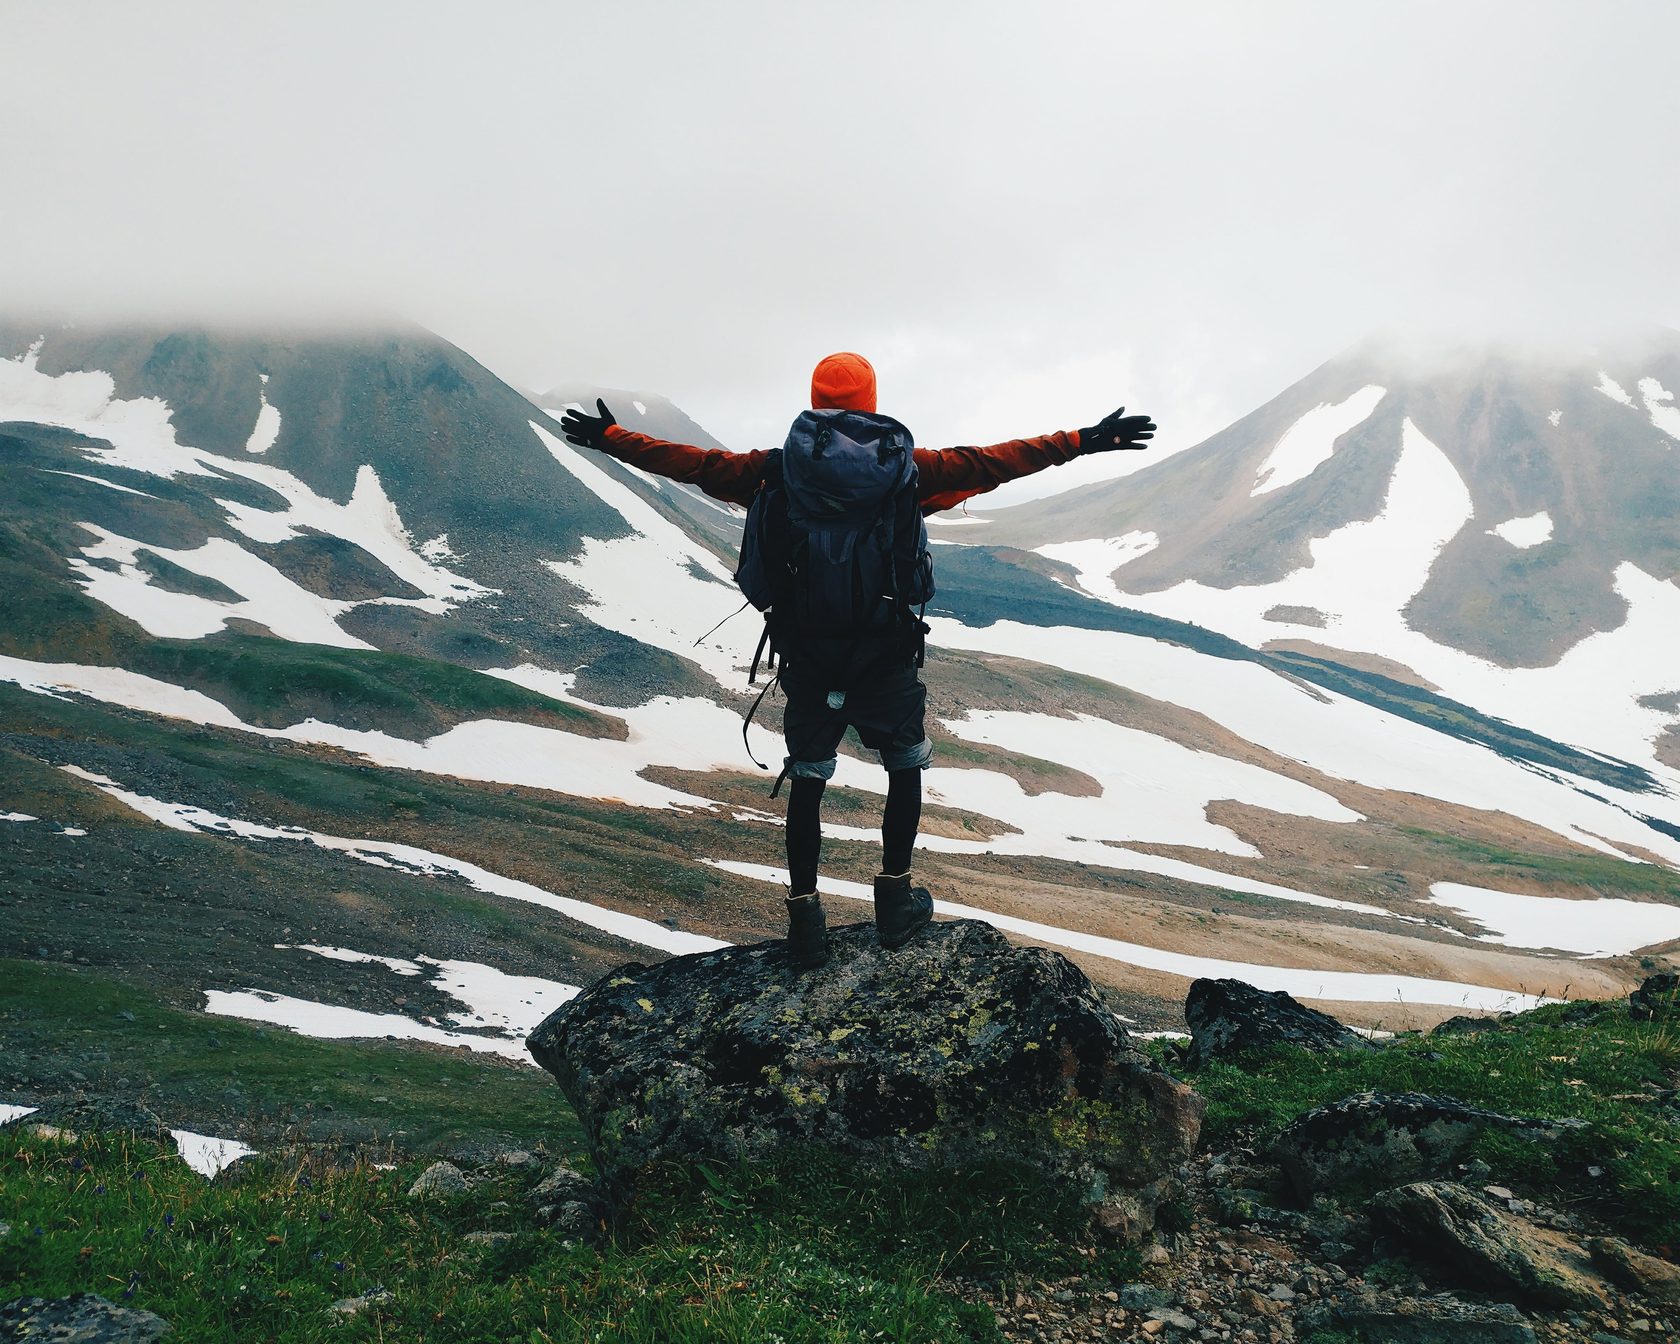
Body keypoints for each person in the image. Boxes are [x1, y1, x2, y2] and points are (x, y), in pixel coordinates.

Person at [560, 352, 1154, 969]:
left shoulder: (773, 470)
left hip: (808, 654)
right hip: (885, 653)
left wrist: (611, 438)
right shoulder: (909, 471)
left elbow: (694, 464)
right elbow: (995, 461)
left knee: (809, 780)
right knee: (904, 767)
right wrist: (1086, 440)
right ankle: (895, 904)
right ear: (871, 400)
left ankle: (805, 923)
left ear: (815, 399)